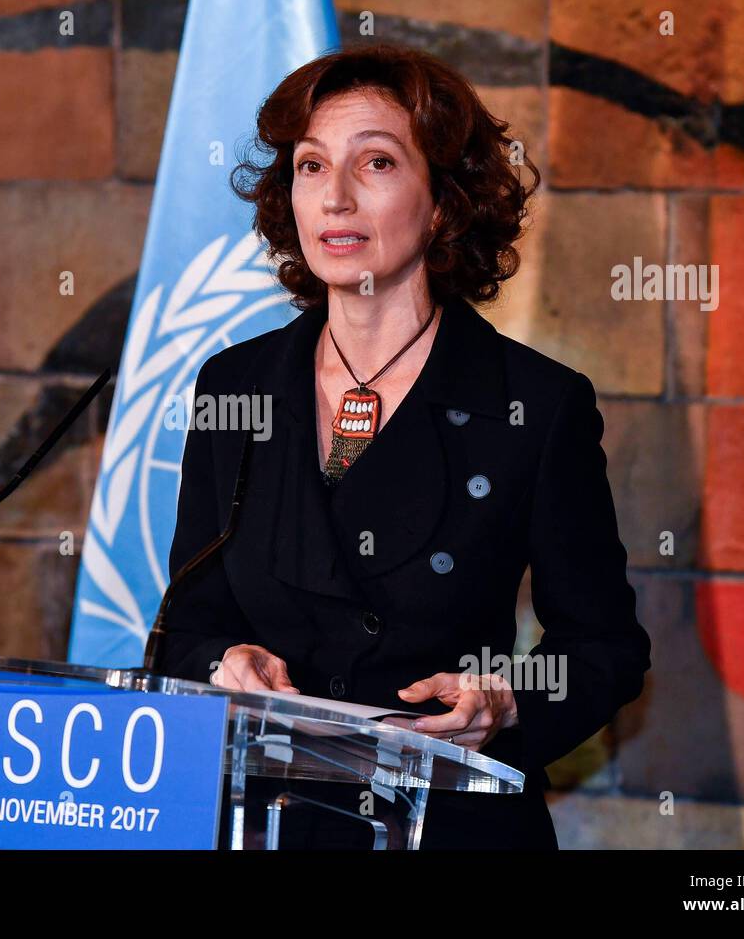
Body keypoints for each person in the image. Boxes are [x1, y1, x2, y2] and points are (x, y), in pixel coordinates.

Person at [157, 42, 651, 850]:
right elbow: (184, 627)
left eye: (376, 163)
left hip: (449, 830)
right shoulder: (234, 384)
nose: (335, 198)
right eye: (312, 166)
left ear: (444, 203)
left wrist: (508, 702)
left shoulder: (537, 404)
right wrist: (222, 662)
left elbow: (603, 648)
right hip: (261, 824)